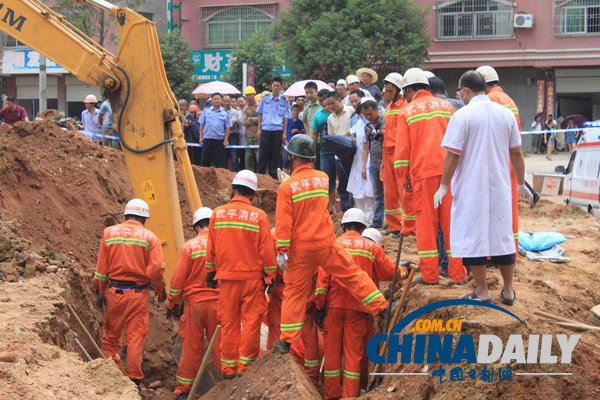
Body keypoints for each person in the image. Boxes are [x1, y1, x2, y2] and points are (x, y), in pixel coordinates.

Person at [273, 134, 389, 354]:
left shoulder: (287, 188)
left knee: (294, 293)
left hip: (302, 250)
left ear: (293, 157)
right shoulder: (323, 178)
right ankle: (381, 307)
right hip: (326, 244)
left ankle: (286, 341)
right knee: (352, 274)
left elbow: (284, 223)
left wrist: (281, 250)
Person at [436, 70, 532, 303]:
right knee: (502, 236)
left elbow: (452, 155)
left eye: (460, 92)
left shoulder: (463, 116)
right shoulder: (505, 114)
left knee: (474, 238)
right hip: (499, 188)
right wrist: (521, 182)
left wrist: (443, 186)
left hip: (471, 189)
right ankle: (508, 290)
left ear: (466, 90)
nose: (460, 96)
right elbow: (516, 151)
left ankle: (482, 291)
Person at [314, 208, 403, 400]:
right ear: (363, 227)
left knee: (331, 355)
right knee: (354, 356)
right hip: (360, 309)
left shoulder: (333, 245)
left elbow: (323, 280)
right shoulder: (371, 247)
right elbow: (389, 272)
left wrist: (320, 307)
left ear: (344, 225)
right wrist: (404, 269)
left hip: (334, 308)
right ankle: (350, 395)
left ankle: (330, 395)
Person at [393, 68, 467, 285]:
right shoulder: (447, 106)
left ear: (408, 90)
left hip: (422, 175)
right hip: (449, 173)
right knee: (451, 224)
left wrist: (404, 179)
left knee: (426, 226)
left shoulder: (406, 111)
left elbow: (401, 154)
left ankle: (430, 275)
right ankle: (458, 274)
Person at [206, 170, 277, 378]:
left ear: (233, 189)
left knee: (228, 323)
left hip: (227, 279)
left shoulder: (217, 214)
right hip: (252, 279)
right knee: (251, 323)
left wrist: (210, 271)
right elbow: (267, 251)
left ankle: (228, 369)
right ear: (253, 195)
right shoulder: (259, 217)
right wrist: (270, 277)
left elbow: (211, 249)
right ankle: (245, 368)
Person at [93, 199, 166, 386]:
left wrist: (100, 292)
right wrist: (159, 288)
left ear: (126, 215)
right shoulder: (150, 237)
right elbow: (156, 268)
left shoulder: (109, 233)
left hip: (114, 292)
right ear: (144, 219)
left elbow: (101, 269)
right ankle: (133, 378)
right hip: (137, 294)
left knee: (110, 336)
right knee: (135, 337)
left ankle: (109, 375)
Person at [168, 207, 220, 399]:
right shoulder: (223, 245)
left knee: (190, 348)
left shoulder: (188, 247)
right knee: (221, 347)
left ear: (196, 226)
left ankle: (184, 391)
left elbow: (177, 281)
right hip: (219, 303)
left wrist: (172, 302)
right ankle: (229, 384)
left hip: (195, 305)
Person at [476, 66, 522, 251]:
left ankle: (492, 252)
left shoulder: (489, 99)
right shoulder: (509, 100)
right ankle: (511, 250)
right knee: (509, 206)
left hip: (495, 160)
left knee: (492, 208)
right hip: (509, 158)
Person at [381, 72, 413, 236]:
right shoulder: (388, 108)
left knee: (403, 191)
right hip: (387, 152)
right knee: (390, 192)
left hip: (400, 153)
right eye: (386, 90)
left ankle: (408, 227)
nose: (386, 93)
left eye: (390, 90)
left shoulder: (405, 107)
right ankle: (395, 226)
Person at [325, 91, 355, 212]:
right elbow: (331, 137)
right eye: (329, 104)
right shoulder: (330, 119)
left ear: (340, 100)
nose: (331, 106)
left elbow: (357, 127)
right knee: (342, 185)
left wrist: (345, 135)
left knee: (353, 183)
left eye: (333, 103)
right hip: (339, 156)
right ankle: (345, 210)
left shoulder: (351, 111)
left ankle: (354, 209)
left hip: (353, 152)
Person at [257, 77, 291, 179]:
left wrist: (284, 133)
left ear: (281, 87)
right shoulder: (265, 98)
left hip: (277, 130)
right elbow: (260, 114)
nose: (276, 87)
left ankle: (274, 177)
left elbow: (285, 118)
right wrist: (259, 129)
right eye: (274, 85)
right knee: (263, 153)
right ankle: (260, 175)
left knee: (275, 155)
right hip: (266, 129)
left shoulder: (284, 101)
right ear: (271, 86)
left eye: (278, 86)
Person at [347, 100, 375, 223]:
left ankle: (368, 221)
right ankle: (359, 220)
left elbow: (366, 147)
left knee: (370, 193)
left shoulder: (374, 126)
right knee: (358, 193)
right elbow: (346, 134)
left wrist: (364, 167)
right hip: (358, 161)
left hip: (369, 161)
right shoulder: (359, 123)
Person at [361, 99, 385, 228]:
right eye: (366, 115)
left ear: (377, 109)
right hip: (374, 163)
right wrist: (364, 166)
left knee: (390, 193)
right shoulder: (367, 126)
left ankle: (394, 223)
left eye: (370, 114)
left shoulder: (386, 121)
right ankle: (377, 222)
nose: (368, 117)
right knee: (377, 194)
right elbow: (366, 146)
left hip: (386, 162)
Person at [311, 89, 334, 212]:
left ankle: (340, 206)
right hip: (324, 150)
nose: (323, 104)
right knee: (326, 179)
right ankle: (327, 206)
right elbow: (314, 133)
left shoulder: (336, 113)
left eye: (324, 101)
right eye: (321, 101)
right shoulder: (318, 115)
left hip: (339, 151)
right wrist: (311, 149)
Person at [198, 92, 231, 169]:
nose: (217, 101)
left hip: (219, 140)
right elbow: (201, 125)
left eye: (218, 99)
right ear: (212, 100)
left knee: (220, 162)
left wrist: (226, 140)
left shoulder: (225, 113)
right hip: (207, 139)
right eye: (215, 99)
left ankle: (220, 179)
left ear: (221, 100)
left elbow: (227, 128)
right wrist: (200, 137)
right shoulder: (206, 111)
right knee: (205, 161)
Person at [242, 87, 260, 172]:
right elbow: (244, 122)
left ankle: (262, 176)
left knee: (259, 158)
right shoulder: (245, 109)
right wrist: (257, 120)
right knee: (249, 159)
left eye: (250, 95)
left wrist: (251, 119)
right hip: (249, 137)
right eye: (247, 95)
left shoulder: (260, 106)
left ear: (254, 95)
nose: (248, 97)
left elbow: (262, 120)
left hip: (259, 136)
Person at [223, 95, 241, 171]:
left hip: (232, 136)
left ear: (231, 102)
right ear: (222, 102)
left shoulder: (235, 112)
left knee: (234, 157)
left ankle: (235, 174)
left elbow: (231, 125)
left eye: (228, 101)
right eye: (225, 101)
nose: (227, 103)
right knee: (224, 157)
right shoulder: (220, 111)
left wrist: (222, 123)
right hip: (222, 136)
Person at [284, 104, 305, 169]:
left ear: (300, 111)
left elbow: (302, 132)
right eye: (294, 110)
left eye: (297, 110)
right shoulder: (288, 121)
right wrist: (286, 141)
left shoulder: (301, 122)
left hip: (296, 144)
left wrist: (297, 130)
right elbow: (284, 131)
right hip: (288, 143)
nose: (296, 112)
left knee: (296, 160)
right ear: (291, 111)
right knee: (286, 161)